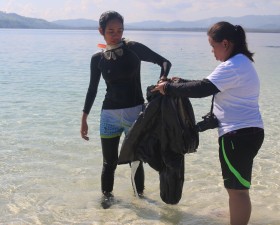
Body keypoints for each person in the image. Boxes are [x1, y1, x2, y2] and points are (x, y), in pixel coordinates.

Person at [153, 21, 264, 225]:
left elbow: (203, 89)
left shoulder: (233, 65)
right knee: (237, 187)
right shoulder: (240, 63)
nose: (212, 52)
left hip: (237, 136)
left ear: (225, 43)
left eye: (213, 46)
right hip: (247, 132)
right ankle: (235, 214)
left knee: (237, 191)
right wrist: (181, 82)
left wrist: (168, 88)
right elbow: (209, 86)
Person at [80, 11, 172, 205]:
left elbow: (164, 62)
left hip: (135, 114)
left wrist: (162, 80)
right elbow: (92, 89)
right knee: (109, 163)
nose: (116, 34)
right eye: (111, 31)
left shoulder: (133, 49)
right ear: (101, 31)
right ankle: (107, 202)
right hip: (109, 116)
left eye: (120, 30)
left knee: (136, 160)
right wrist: (84, 117)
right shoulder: (97, 59)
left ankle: (141, 200)